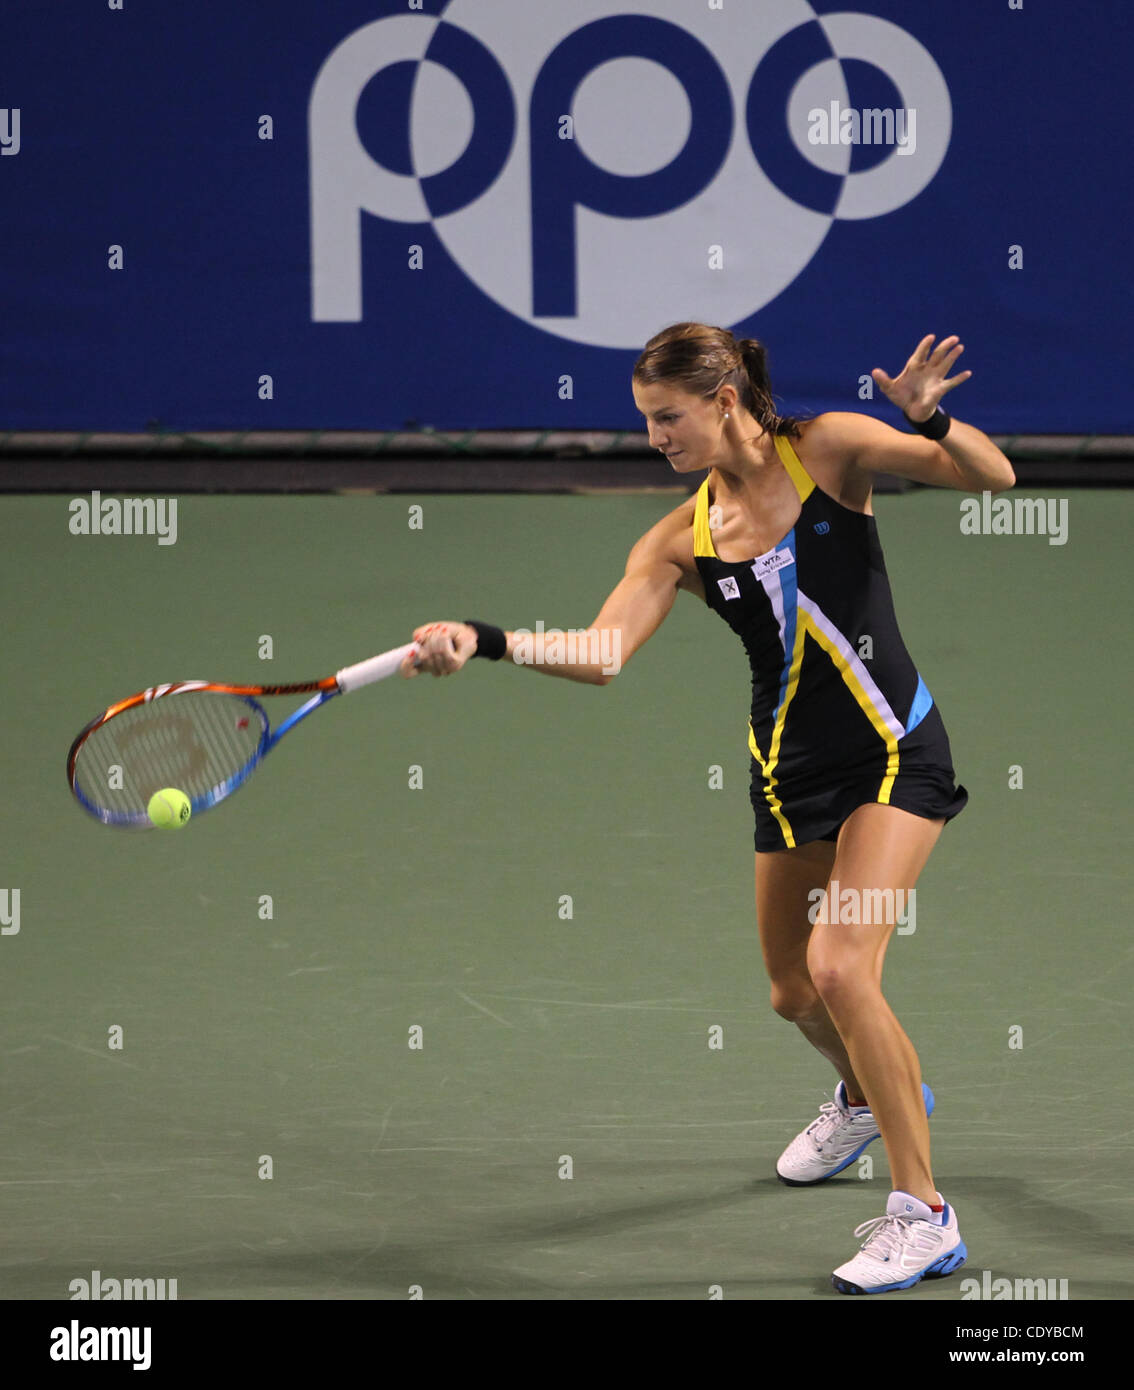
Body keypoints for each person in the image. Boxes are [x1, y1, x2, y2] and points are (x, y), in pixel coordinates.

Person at [400, 322, 1015, 1294]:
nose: (653, 437)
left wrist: (931, 417)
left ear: (724, 399)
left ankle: (924, 1216)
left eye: (665, 417)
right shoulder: (679, 538)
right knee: (792, 991)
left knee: (841, 963)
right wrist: (486, 639)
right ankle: (868, 1096)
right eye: (646, 420)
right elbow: (602, 655)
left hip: (895, 751)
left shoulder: (831, 450)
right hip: (788, 774)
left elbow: (993, 479)